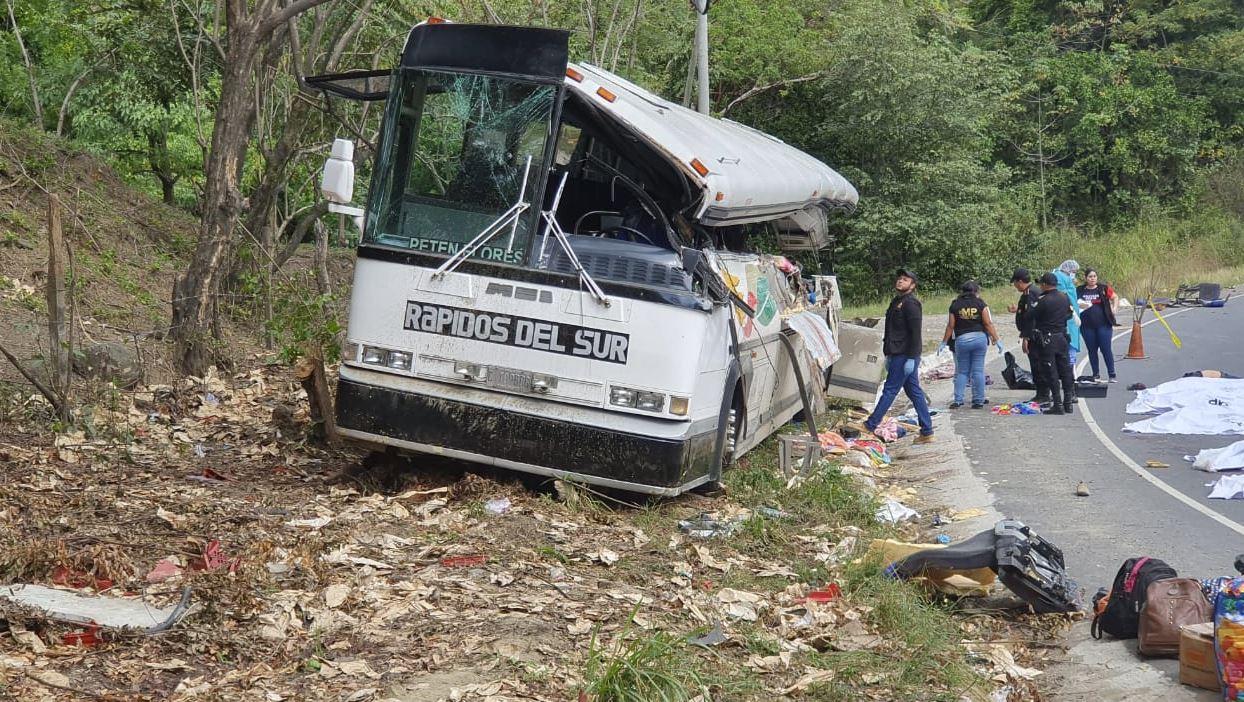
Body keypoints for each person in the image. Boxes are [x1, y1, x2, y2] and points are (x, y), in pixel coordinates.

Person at [847, 269, 934, 443]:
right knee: (914, 392)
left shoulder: (911, 304)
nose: (900, 281)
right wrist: (888, 353)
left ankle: (870, 425)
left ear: (912, 285)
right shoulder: (896, 302)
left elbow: (915, 333)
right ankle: (927, 431)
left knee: (890, 390)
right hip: (896, 353)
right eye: (899, 278)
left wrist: (912, 357)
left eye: (905, 279)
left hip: (905, 354)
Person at [939, 280, 1004, 409]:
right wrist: (997, 340)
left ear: (962, 291)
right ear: (976, 291)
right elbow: (988, 323)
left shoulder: (955, 305)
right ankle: (978, 400)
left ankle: (958, 400)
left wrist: (944, 341)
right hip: (979, 339)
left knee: (962, 372)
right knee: (978, 371)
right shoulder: (980, 304)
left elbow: (950, 326)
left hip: (962, 340)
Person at [1032, 272, 1076, 415]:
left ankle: (1057, 403)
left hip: (1048, 338)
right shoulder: (1064, 297)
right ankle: (1068, 402)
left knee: (1051, 372)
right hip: (1062, 337)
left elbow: (1032, 316)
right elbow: (1070, 314)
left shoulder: (1043, 300)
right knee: (1066, 370)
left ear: (1045, 284)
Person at [1007, 268, 1050, 403]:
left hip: (1035, 335)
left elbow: (1032, 319)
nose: (1015, 286)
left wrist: (1026, 337)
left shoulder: (1032, 293)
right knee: (1036, 365)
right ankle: (1040, 393)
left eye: (1015, 283)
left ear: (1020, 282)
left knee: (1038, 366)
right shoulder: (1027, 293)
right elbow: (1026, 312)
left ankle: (1043, 394)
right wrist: (1017, 310)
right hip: (1033, 334)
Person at [1076, 268, 1119, 383]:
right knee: (1092, 350)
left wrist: (1114, 308)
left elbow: (1115, 297)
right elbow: (1073, 302)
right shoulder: (1080, 290)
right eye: (1090, 276)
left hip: (1103, 325)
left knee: (1106, 349)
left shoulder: (1103, 288)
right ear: (1086, 278)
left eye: (1094, 276)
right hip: (1086, 326)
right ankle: (1096, 374)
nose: (1092, 278)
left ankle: (1112, 374)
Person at [1053, 260, 1082, 367]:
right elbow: (1063, 295)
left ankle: (1070, 366)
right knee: (1068, 344)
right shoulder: (1059, 276)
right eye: (1073, 271)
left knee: (1070, 343)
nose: (1074, 273)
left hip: (1071, 316)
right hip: (1067, 317)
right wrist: (1073, 310)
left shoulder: (1065, 278)